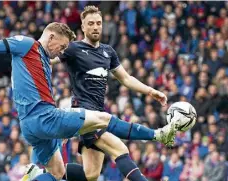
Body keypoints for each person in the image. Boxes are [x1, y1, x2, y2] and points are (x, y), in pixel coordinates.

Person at [0, 22, 178, 181]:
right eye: (61, 46)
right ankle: (158, 135)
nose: (60, 51)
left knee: (59, 173)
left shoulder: (43, 57)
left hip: (31, 127)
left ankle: (34, 174)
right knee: (103, 118)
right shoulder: (27, 45)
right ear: (50, 36)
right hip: (45, 117)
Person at [26, 6, 174, 181]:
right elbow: (49, 59)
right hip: (84, 114)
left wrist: (150, 90)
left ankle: (41, 175)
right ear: (83, 27)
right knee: (120, 149)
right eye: (91, 23)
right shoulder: (73, 48)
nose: (95, 27)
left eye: (98, 23)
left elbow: (125, 78)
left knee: (91, 175)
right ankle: (157, 137)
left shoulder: (108, 51)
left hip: (97, 112)